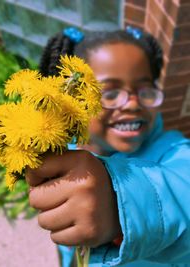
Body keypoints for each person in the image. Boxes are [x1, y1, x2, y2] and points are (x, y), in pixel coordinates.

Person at [25, 26, 190, 267]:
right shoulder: (60, 150)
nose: (133, 103)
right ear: (73, 100)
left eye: (145, 90)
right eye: (109, 93)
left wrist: (120, 200)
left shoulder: (172, 148)